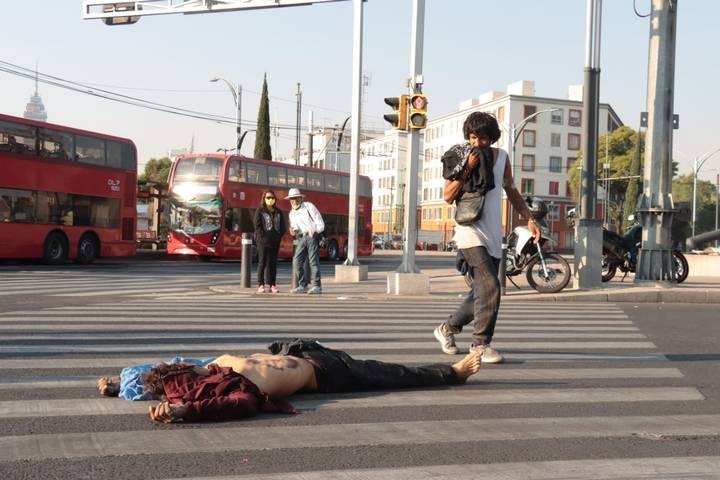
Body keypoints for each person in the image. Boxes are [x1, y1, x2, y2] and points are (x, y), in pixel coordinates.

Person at [96, 339, 482, 423]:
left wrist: (119, 383)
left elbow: (161, 368)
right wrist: (184, 411)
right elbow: (239, 405)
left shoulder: (208, 366)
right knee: (390, 374)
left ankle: (450, 372)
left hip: (305, 351)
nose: (187, 367)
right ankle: (452, 373)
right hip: (326, 375)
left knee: (384, 369)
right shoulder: (224, 387)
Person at [433, 111, 541, 364]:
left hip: (493, 233)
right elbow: (448, 196)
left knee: (481, 293)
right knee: (491, 286)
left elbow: (511, 189)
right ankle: (480, 345)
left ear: (492, 138)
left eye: (482, 138)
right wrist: (466, 170)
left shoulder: (502, 157)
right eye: (473, 137)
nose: (477, 143)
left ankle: (446, 329)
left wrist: (529, 218)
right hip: (469, 231)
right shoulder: (461, 156)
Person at [285, 188, 325, 294]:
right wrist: (293, 231)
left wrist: (314, 232)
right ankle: (303, 285)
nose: (292, 201)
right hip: (301, 237)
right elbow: (294, 229)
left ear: (300, 198)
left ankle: (317, 286)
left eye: (294, 198)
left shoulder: (309, 206)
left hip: (311, 236)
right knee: (297, 261)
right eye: (290, 199)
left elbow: (320, 223)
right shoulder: (291, 213)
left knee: (313, 262)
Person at [253, 189, 286, 294]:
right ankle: (261, 285)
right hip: (263, 242)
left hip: (275, 242)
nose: (270, 199)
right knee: (262, 263)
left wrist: (278, 236)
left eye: (272, 197)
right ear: (264, 198)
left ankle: (272, 285)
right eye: (268, 197)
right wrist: (262, 238)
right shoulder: (260, 210)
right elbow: (257, 226)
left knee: (273, 264)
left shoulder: (278, 212)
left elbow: (283, 227)